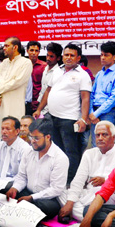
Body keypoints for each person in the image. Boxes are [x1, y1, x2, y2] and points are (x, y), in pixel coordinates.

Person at [35, 43, 91, 183]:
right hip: (52, 117)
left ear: (78, 58)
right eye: (66, 55)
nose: (69, 58)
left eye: (72, 55)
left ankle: (71, 181)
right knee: (56, 150)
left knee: (71, 151)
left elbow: (85, 98)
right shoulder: (57, 71)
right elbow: (48, 91)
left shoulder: (83, 75)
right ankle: (58, 179)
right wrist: (39, 109)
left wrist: (83, 119)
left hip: (69, 119)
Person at [60, 121, 115, 223]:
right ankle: (90, 216)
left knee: (98, 191)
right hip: (88, 195)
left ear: (113, 137)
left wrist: (106, 181)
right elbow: (79, 180)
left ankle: (84, 214)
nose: (100, 138)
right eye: (97, 135)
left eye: (104, 135)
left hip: (111, 196)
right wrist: (70, 202)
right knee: (61, 192)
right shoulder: (89, 153)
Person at [6, 118, 68, 219]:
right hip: (28, 192)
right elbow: (22, 176)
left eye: (36, 138)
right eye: (31, 137)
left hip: (47, 199)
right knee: (6, 189)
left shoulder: (60, 158)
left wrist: (32, 198)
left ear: (48, 137)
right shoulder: (28, 151)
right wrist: (15, 188)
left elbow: (56, 189)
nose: (32, 141)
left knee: (45, 208)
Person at [0, 36, 33, 134]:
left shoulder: (26, 63)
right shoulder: (4, 62)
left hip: (14, 105)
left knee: (12, 133)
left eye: (6, 46)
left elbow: (16, 83)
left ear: (15, 48)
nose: (4, 48)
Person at [89, 41, 115, 147]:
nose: (102, 58)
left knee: (107, 144)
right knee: (95, 145)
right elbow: (91, 94)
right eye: (101, 55)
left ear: (114, 57)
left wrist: (96, 114)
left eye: (106, 55)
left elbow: (114, 99)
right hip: (94, 111)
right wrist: (91, 112)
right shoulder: (99, 74)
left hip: (109, 113)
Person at [37, 43, 63, 117]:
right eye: (47, 55)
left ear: (58, 58)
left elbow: (50, 92)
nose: (48, 58)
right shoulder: (45, 68)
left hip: (51, 109)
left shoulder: (59, 72)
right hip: (41, 106)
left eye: (51, 56)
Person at [26, 41, 47, 114]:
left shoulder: (44, 66)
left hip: (39, 102)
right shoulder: (22, 65)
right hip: (24, 101)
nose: (34, 53)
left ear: (39, 52)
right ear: (27, 51)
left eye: (36, 51)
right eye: (31, 50)